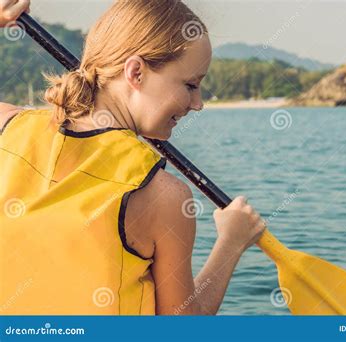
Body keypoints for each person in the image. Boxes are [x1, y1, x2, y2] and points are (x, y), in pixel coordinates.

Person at [0, 0, 265, 315]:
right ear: (136, 72)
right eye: (191, 85)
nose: (198, 103)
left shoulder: (7, 126)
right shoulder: (162, 198)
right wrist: (231, 244)